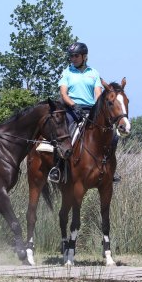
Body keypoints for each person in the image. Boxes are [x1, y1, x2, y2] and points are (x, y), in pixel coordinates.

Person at [48, 42, 120, 183]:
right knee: (64, 134)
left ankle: (110, 169)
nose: (73, 58)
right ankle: (58, 168)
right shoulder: (67, 72)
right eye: (71, 56)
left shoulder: (93, 73)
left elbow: (98, 95)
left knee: (113, 136)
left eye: (76, 56)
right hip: (71, 108)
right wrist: (74, 106)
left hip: (91, 110)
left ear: (84, 56)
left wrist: (98, 110)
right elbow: (63, 94)